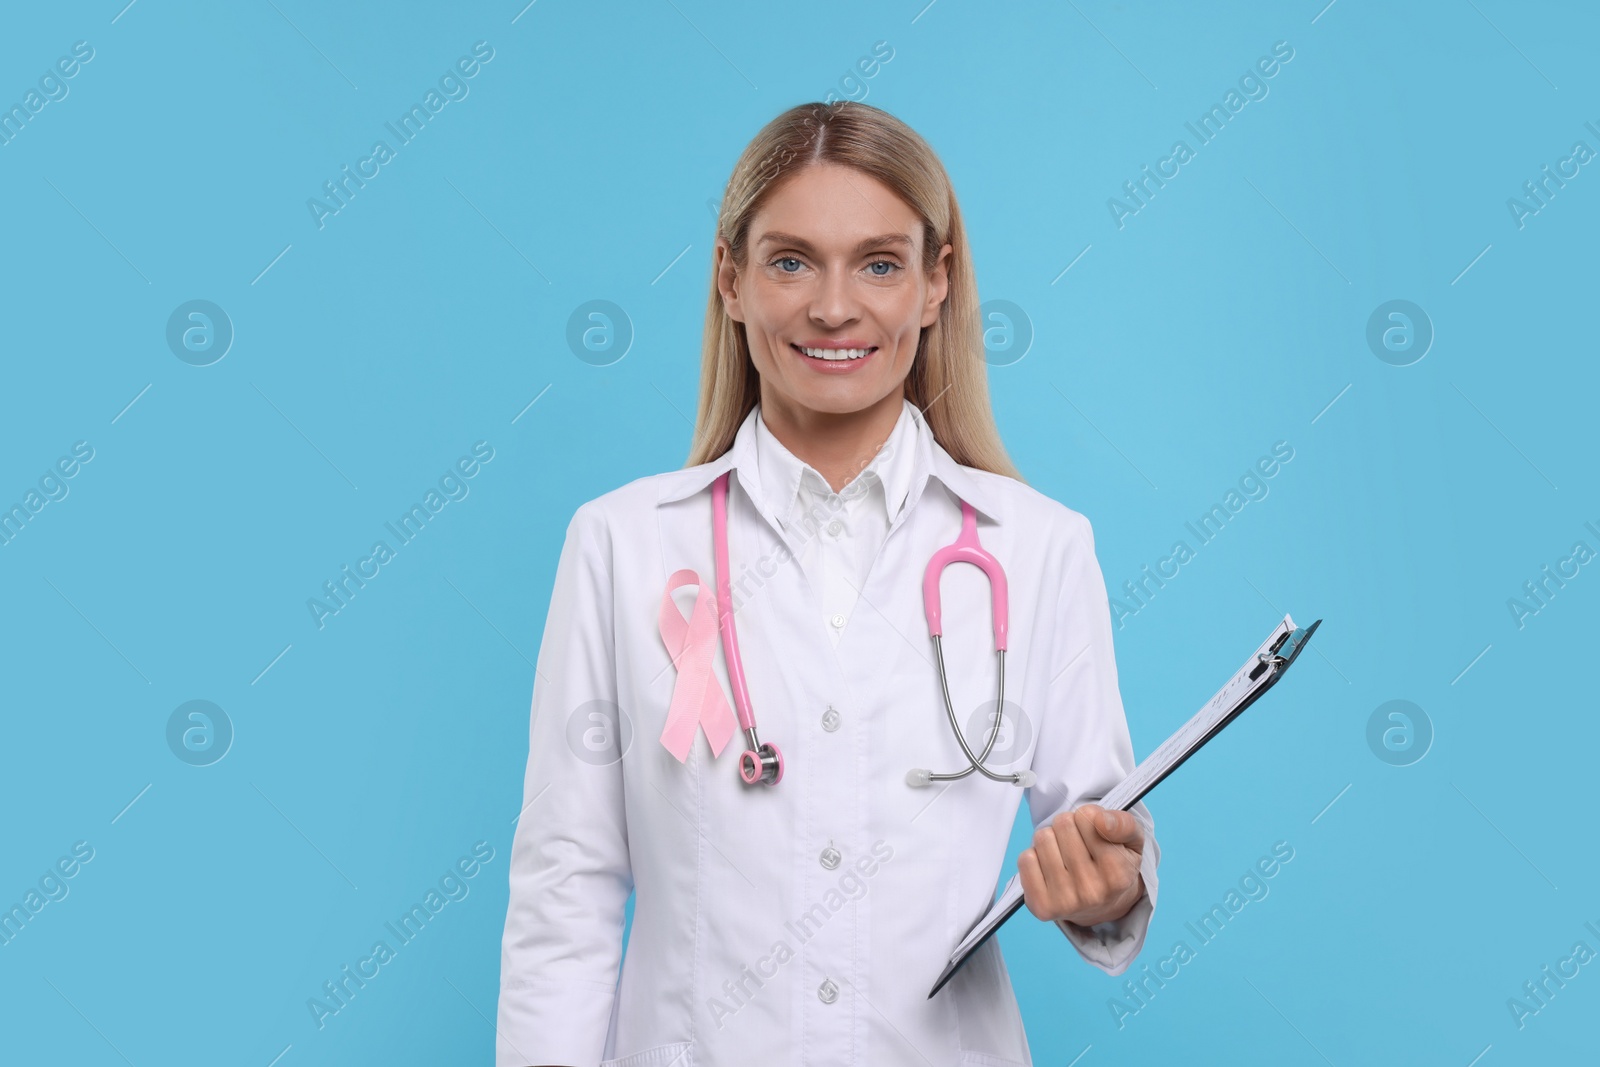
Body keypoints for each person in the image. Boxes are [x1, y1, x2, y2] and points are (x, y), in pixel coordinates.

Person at [496, 100, 1159, 1067]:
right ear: (731, 280)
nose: (834, 307)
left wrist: (1107, 884)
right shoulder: (621, 545)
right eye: (791, 260)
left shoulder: (1039, 548)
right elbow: (569, 886)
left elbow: (1100, 836)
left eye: (881, 263)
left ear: (937, 283)